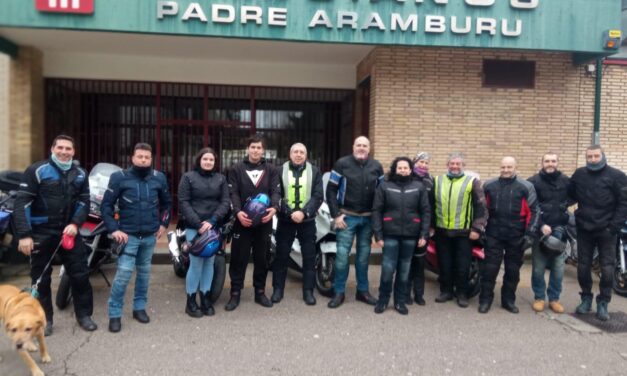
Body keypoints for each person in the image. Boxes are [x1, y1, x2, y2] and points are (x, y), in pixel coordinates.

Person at [14, 135, 97, 335]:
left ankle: (84, 315)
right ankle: (45, 320)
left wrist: (76, 224)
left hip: (70, 232)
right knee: (41, 280)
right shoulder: (37, 170)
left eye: (68, 148)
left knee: (80, 275)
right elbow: (22, 202)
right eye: (60, 147)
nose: (64, 151)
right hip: (42, 232)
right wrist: (24, 235)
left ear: (73, 152)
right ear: (52, 149)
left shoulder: (80, 174)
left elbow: (84, 202)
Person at [102, 143, 172, 333]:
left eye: (147, 157)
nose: (143, 160)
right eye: (139, 156)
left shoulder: (159, 178)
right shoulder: (119, 178)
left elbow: (167, 205)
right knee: (123, 275)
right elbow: (106, 207)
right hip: (128, 237)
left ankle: (139, 308)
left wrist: (164, 224)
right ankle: (114, 314)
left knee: (144, 275)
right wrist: (114, 229)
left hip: (149, 237)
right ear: (132, 158)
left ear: (151, 159)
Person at [569, 145, 627, 321]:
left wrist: (613, 227)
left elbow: (624, 203)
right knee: (583, 267)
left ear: (602, 156)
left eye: (596, 156)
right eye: (590, 156)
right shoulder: (579, 175)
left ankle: (603, 302)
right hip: (585, 228)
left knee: (607, 269)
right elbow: (569, 196)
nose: (593, 159)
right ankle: (586, 298)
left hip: (607, 230)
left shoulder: (617, 176)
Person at [326, 136, 384, 309]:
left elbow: (382, 195)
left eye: (364, 145)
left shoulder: (377, 166)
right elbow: (330, 191)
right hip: (346, 218)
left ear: (369, 148)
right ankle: (338, 292)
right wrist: (336, 215)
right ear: (353, 147)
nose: (361, 148)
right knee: (342, 257)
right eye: (358, 145)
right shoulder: (342, 164)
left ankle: (363, 291)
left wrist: (377, 222)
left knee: (363, 258)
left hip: (367, 218)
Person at [225, 135, 280, 311]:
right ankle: (235, 293)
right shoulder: (236, 169)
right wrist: (238, 212)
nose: (256, 150)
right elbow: (232, 194)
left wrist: (274, 208)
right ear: (248, 149)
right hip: (242, 222)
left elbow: (276, 192)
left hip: (264, 222)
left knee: (262, 258)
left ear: (263, 150)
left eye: (259, 147)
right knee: (238, 258)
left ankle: (260, 291)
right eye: (253, 147)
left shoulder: (271, 170)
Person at [479, 156, 540, 314]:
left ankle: (508, 301)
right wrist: (480, 229)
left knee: (513, 270)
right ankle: (485, 300)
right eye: (503, 167)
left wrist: (530, 235)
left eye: (509, 167)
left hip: (516, 234)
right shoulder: (489, 185)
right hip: (494, 233)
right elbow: (481, 210)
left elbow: (535, 211)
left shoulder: (526, 186)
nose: (506, 170)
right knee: (489, 269)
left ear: (516, 168)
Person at [372, 157, 430, 315]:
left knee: (404, 271)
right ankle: (383, 300)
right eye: (400, 168)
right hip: (390, 234)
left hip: (411, 235)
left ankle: (400, 301)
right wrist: (378, 235)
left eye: (406, 168)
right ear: (394, 169)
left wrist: (424, 234)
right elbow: (377, 211)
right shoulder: (385, 186)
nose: (403, 170)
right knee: (387, 270)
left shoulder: (419, 187)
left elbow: (425, 211)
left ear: (410, 170)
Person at [178, 147, 230, 317]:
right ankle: (190, 301)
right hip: (195, 227)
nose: (208, 162)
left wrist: (213, 221)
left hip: (213, 227)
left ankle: (206, 298)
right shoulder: (188, 177)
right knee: (196, 264)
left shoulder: (221, 179)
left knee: (209, 263)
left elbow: (225, 202)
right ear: (199, 160)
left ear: (215, 162)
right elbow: (184, 202)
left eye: (211, 160)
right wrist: (198, 223)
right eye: (205, 159)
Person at [432, 152, 487, 308]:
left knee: (462, 265)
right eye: (452, 163)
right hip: (442, 231)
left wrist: (477, 227)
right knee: (444, 264)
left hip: (464, 233)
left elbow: (481, 207)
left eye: (458, 164)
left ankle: (462, 294)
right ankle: (446, 291)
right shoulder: (437, 180)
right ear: (447, 164)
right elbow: (430, 204)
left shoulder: (472, 182)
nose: (455, 166)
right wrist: (431, 226)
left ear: (463, 166)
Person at [272, 143, 324, 306]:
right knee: (281, 256)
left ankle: (308, 291)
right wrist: (289, 213)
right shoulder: (279, 170)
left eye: (302, 152)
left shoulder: (315, 171)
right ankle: (277, 289)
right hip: (285, 220)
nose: (299, 154)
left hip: (307, 221)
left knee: (309, 257)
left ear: (306, 155)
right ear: (290, 153)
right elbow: (276, 194)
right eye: (296, 151)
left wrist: (304, 212)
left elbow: (318, 196)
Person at [527, 153, 573, 314]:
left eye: (553, 161)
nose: (550, 164)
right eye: (547, 161)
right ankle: (539, 297)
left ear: (557, 163)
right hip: (541, 231)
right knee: (539, 268)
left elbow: (573, 198)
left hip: (560, 230)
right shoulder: (533, 182)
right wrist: (540, 225)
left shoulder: (566, 181)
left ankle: (554, 299)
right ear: (542, 163)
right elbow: (530, 207)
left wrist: (562, 208)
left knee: (558, 268)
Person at [407, 151, 434, 306]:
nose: (423, 165)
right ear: (414, 162)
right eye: (420, 162)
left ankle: (419, 294)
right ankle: (406, 293)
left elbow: (433, 205)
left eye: (426, 162)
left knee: (420, 262)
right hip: (409, 226)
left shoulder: (431, 180)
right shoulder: (408, 178)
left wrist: (431, 226)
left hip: (424, 226)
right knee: (407, 262)